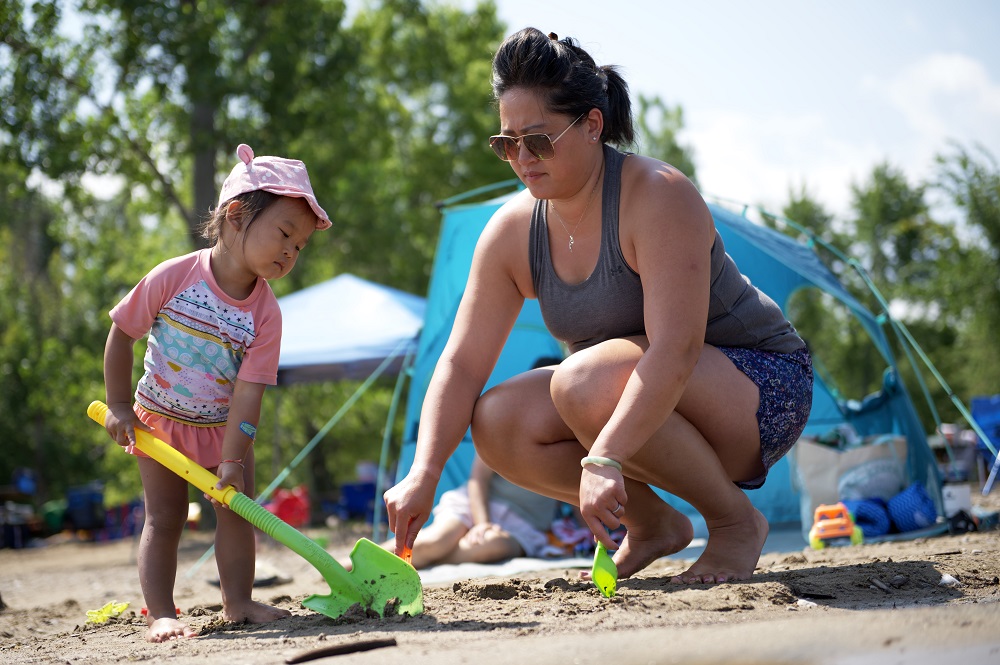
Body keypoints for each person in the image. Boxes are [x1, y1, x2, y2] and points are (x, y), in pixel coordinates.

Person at [384, 28, 813, 586]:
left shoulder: (657, 193)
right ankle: (654, 524)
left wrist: (603, 458)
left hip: (759, 390)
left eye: (536, 140)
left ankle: (734, 523)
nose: (520, 158)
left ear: (591, 124)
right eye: (506, 142)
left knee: (579, 382)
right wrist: (425, 472)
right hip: (634, 395)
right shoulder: (512, 232)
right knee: (497, 422)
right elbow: (462, 364)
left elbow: (676, 348)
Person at [100, 144, 331, 642]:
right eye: (284, 234)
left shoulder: (266, 314)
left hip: (225, 431)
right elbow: (122, 333)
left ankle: (239, 601)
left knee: (235, 512)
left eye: (300, 245)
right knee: (164, 518)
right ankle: (162, 612)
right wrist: (119, 406)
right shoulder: (175, 277)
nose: (290, 251)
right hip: (158, 422)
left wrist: (232, 458)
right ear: (235, 216)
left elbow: (250, 394)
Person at [384, 452, 559, 569]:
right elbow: (478, 480)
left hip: (526, 525)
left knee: (492, 545)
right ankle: (359, 563)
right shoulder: (503, 421)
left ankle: (416, 564)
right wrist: (482, 523)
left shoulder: (568, 432)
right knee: (435, 540)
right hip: (475, 503)